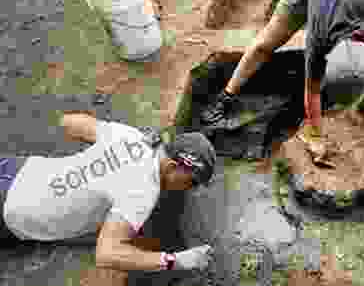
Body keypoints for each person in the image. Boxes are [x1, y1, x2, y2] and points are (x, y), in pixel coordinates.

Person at [200, 0, 364, 166]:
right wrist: (315, 134)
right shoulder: (323, 22)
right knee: (265, 44)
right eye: (359, 35)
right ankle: (226, 96)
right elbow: (312, 87)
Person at [0, 112, 216, 273]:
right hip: (12, 209)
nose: (190, 189)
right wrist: (174, 260)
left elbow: (70, 123)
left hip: (20, 169)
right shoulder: (142, 192)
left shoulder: (133, 137)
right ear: (172, 166)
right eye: (191, 182)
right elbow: (107, 254)